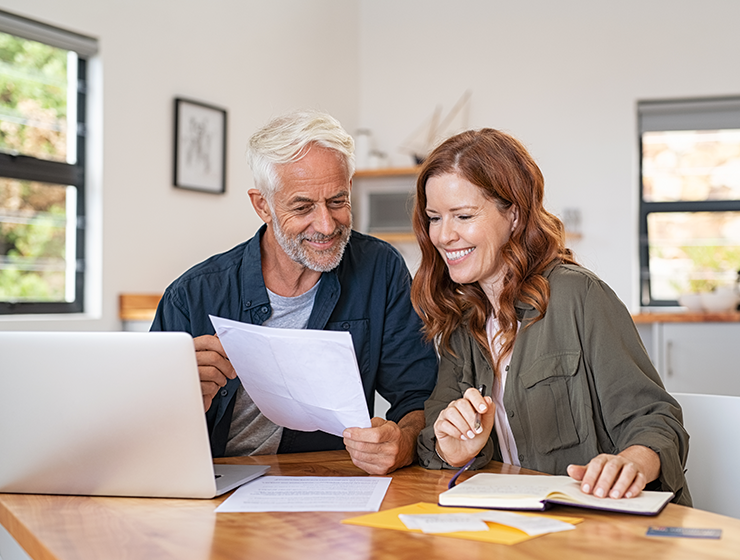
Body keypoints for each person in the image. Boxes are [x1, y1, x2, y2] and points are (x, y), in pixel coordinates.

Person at [412, 128, 691, 505]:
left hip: (599, 519)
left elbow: (656, 421)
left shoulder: (579, 296)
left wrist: (631, 462)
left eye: (463, 216)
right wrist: (454, 449)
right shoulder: (462, 320)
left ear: (513, 215)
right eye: (434, 218)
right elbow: (433, 435)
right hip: (517, 520)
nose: (444, 236)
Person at [151, 110, 438, 475]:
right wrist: (177, 394)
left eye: (337, 201)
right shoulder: (192, 295)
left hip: (324, 481)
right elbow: (141, 426)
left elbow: (418, 397)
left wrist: (403, 442)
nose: (326, 225)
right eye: (302, 207)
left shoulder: (380, 269)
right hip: (213, 482)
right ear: (262, 205)